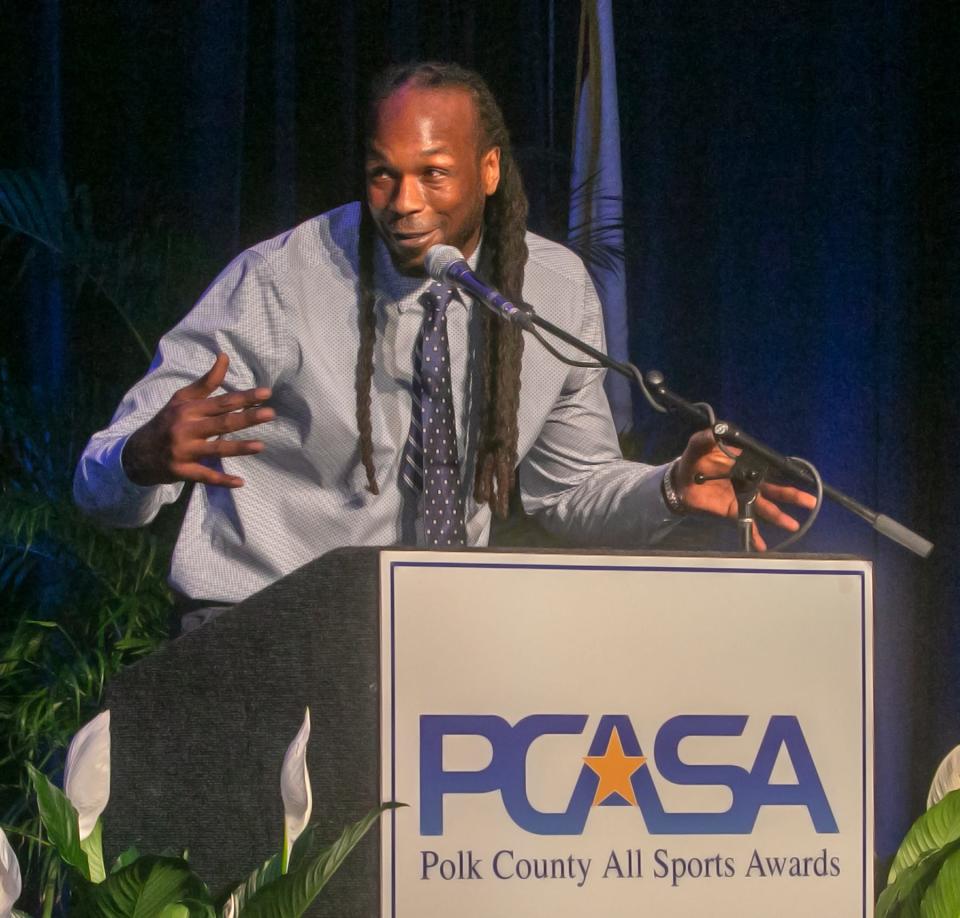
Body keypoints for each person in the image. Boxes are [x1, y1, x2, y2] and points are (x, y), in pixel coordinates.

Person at [74, 62, 813, 628]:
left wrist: (669, 490)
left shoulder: (550, 291)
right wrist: (142, 456)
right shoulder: (278, 282)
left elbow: (572, 491)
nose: (403, 203)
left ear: (489, 170)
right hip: (260, 629)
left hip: (438, 632)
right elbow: (97, 481)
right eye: (383, 176)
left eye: (433, 174)